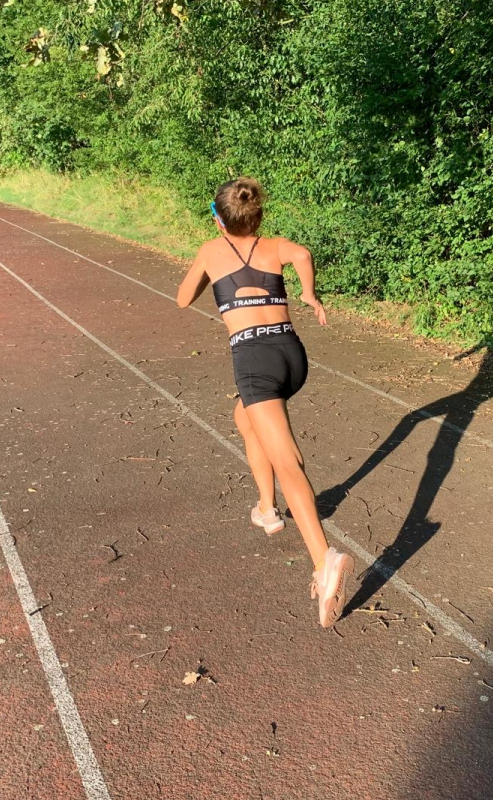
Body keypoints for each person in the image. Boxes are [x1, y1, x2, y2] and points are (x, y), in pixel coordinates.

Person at [176, 177, 354, 628]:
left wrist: (212, 272)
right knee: (245, 418)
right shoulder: (275, 246)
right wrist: (308, 294)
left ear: (218, 219)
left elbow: (181, 299)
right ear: (257, 216)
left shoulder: (210, 251)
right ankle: (267, 509)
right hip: (291, 355)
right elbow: (303, 255)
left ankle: (324, 561)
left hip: (255, 361)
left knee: (287, 461)